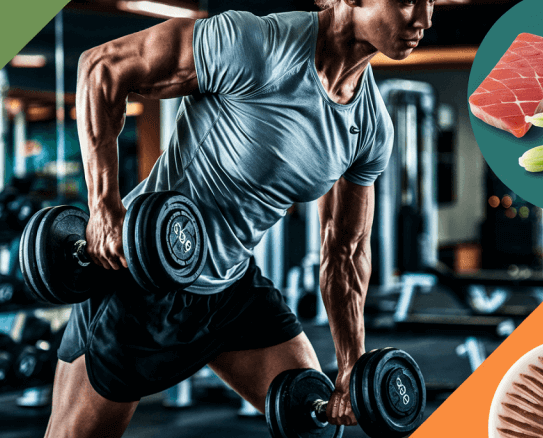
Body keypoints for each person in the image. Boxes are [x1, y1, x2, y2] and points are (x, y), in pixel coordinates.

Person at [47, 0, 433, 435]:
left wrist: (351, 363)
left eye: (430, 2)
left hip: (231, 287)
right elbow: (101, 67)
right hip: (143, 277)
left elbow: (344, 250)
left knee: (314, 425)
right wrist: (103, 207)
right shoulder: (254, 44)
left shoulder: (371, 125)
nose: (423, 19)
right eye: (405, 1)